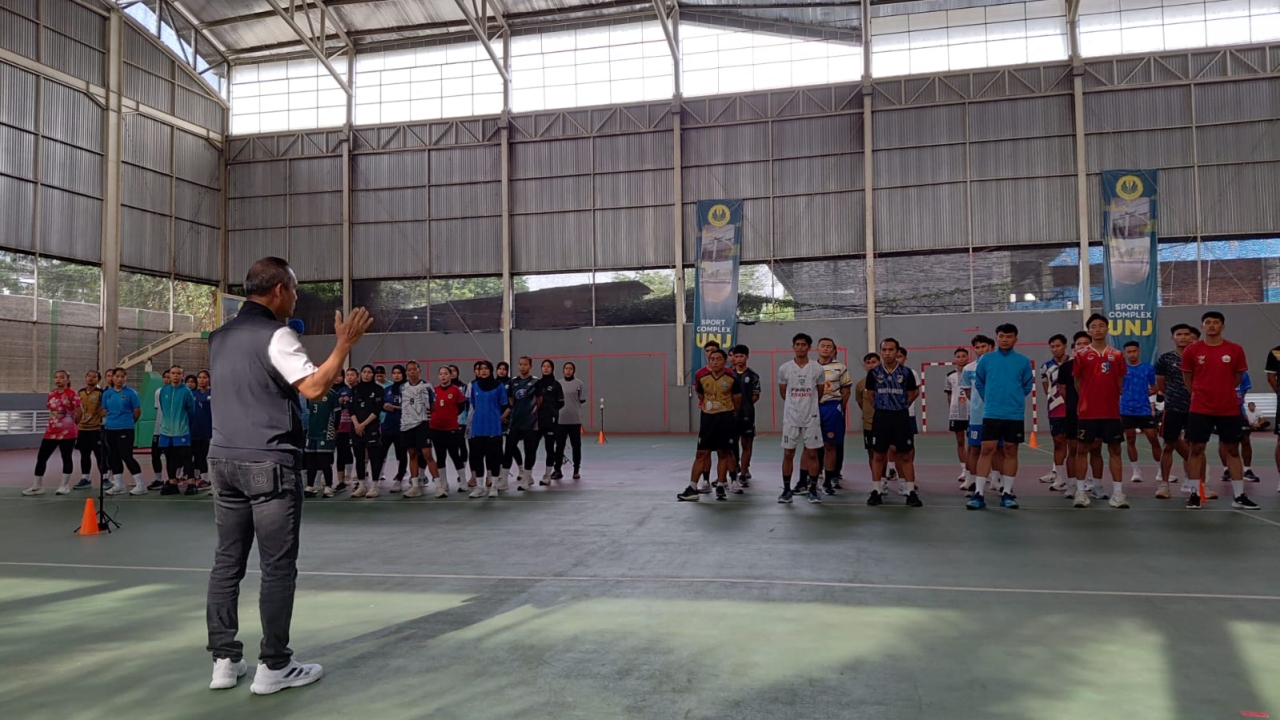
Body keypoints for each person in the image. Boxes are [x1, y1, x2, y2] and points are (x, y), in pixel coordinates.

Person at [205, 256, 372, 694]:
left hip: (222, 460)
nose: (296, 298)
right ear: (278, 289)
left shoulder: (219, 337)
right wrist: (343, 345)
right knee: (277, 566)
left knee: (227, 562)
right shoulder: (276, 334)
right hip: (267, 461)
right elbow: (314, 388)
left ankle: (224, 660)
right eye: (295, 290)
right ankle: (275, 665)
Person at [1181, 311, 1258, 509]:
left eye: (1216, 322)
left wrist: (1223, 392)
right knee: (1196, 449)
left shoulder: (1235, 349)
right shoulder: (1192, 350)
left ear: (1222, 326)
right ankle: (1195, 494)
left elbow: (1237, 378)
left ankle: (1239, 496)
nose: (1212, 325)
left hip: (1228, 408)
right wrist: (1200, 394)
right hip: (1200, 408)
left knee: (1232, 449)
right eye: (1208, 322)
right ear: (1202, 326)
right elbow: (1188, 378)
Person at [969, 323, 1034, 510]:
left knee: (1011, 451)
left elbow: (1027, 385)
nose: (1005, 340)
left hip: (1014, 414)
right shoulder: (986, 360)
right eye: (1002, 336)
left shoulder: (1023, 361)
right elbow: (980, 382)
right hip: (992, 413)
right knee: (986, 449)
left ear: (1016, 339)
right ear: (996, 338)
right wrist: (988, 398)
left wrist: (1015, 399)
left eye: (1009, 336)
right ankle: (978, 493)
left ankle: (1007, 493)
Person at [1071, 314, 1128, 509]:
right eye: (1093, 326)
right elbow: (1078, 382)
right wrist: (1088, 399)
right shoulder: (1081, 355)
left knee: (1115, 450)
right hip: (1088, 412)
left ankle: (1118, 493)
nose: (1097, 329)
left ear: (1107, 328)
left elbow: (1119, 381)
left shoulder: (1117, 354)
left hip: (1111, 412)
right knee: (1082, 450)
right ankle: (1080, 492)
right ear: (1089, 330)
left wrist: (1109, 397)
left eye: (1101, 326)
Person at [678, 348, 741, 501]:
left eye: (718, 359)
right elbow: (701, 396)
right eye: (712, 359)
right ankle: (692, 487)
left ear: (725, 361)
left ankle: (720, 485)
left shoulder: (732, 379)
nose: (715, 362)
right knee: (701, 453)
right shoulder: (702, 378)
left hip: (725, 419)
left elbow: (737, 402)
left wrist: (725, 411)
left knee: (723, 452)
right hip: (707, 420)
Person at [866, 338, 922, 508]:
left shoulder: (906, 373)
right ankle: (876, 491)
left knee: (905, 455)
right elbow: (870, 395)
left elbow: (912, 394)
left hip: (900, 417)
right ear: (881, 352)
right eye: (884, 350)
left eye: (891, 349)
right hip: (881, 417)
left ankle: (910, 491)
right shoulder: (874, 373)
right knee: (879, 455)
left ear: (897, 352)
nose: (888, 353)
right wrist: (881, 406)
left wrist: (901, 405)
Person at [776, 333, 825, 504]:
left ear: (809, 347)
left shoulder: (817, 369)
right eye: (797, 344)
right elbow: (783, 392)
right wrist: (794, 406)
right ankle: (786, 490)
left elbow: (820, 392)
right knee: (788, 453)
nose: (800, 347)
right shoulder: (785, 368)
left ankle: (813, 490)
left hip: (811, 418)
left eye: (803, 344)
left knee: (812, 453)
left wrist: (809, 406)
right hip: (791, 418)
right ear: (793, 347)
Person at [1156, 324, 1198, 499]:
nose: (1183, 337)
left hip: (1196, 408)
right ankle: (1164, 485)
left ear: (1191, 337)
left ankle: (1194, 483)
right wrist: (1173, 397)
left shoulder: (1199, 358)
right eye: (1179, 334)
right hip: (1173, 408)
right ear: (1172, 337)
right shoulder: (1165, 359)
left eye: (1186, 334)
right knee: (1168, 446)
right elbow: (1161, 383)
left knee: (1195, 447)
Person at [23, 370, 81, 496]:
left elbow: (79, 412)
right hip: (51, 431)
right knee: (42, 457)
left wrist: (72, 422)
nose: (58, 379)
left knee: (66, 457)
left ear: (67, 380)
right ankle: (37, 486)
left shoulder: (72, 394)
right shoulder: (51, 394)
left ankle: (64, 485)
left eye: (62, 377)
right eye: (56, 377)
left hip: (67, 432)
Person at [959, 335, 1000, 496]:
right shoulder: (968, 369)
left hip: (997, 414)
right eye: (977, 347)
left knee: (999, 449)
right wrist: (978, 405)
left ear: (991, 347)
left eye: (984, 346)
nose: (981, 350)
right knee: (974, 448)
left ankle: (996, 480)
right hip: (977, 416)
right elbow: (968, 392)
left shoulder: (999, 366)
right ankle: (972, 480)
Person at [815, 338, 852, 497]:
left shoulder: (840, 367)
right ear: (817, 349)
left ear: (833, 350)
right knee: (812, 446)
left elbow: (846, 390)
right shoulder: (811, 367)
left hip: (832, 407)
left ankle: (829, 481)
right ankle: (811, 479)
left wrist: (839, 408)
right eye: (822, 346)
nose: (825, 348)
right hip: (814, 408)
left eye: (829, 346)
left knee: (831, 445)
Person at [1120, 341, 1161, 484]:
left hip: (1144, 409)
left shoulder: (1148, 368)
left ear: (1139, 352)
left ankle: (1160, 470)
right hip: (1126, 409)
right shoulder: (1121, 369)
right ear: (1125, 353)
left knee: (1153, 438)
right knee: (1130, 439)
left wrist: (1153, 391)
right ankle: (1135, 471)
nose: (1132, 354)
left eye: (1134, 351)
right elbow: (1117, 386)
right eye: (1129, 352)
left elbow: (1154, 387)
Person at [102, 368, 147, 496]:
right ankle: (119, 485)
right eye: (117, 376)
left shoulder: (131, 393)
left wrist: (128, 423)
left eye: (122, 376)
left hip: (125, 428)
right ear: (112, 378)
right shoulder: (107, 394)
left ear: (125, 378)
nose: (120, 379)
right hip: (110, 428)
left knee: (126, 455)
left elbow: (137, 411)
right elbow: (104, 410)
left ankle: (141, 484)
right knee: (113, 456)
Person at [467, 360, 507, 498]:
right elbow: (474, 404)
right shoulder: (475, 386)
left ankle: (494, 486)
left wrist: (496, 417)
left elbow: (504, 405)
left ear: (491, 370)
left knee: (494, 458)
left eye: (486, 368)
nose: (483, 371)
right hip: (478, 428)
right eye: (480, 368)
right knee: (478, 458)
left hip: (494, 428)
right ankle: (479, 487)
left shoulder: (499, 386)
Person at [400, 360, 438, 498]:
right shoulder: (403, 388)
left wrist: (423, 414)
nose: (412, 372)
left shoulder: (427, 386)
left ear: (419, 370)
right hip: (407, 425)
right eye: (409, 370)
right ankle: (415, 486)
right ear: (407, 372)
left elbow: (433, 406)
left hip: (422, 424)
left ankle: (439, 486)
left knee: (427, 454)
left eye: (414, 369)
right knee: (412, 454)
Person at [157, 365, 198, 496]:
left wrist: (184, 423)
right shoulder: (164, 391)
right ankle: (172, 483)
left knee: (186, 457)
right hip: (166, 431)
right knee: (169, 457)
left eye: (178, 373)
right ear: (169, 375)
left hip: (181, 430)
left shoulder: (186, 391)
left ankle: (191, 483)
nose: (175, 375)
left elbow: (191, 411)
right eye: (173, 373)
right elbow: (163, 408)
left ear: (182, 375)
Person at [348, 365, 385, 498]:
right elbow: (351, 409)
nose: (366, 374)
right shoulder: (355, 389)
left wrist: (363, 424)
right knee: (359, 457)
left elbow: (377, 409)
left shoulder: (378, 389)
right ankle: (362, 486)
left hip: (371, 427)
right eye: (364, 372)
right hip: (356, 428)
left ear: (373, 375)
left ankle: (374, 486)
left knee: (374, 456)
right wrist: (357, 424)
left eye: (369, 372)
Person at [304, 370, 342, 498]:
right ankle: (310, 486)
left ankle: (328, 487)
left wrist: (334, 429)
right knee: (311, 461)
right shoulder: (310, 394)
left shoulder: (331, 394)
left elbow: (337, 413)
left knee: (324, 461)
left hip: (326, 432)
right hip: (311, 432)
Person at [1038, 335, 1070, 489]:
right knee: (1058, 442)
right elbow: (1046, 388)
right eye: (1052, 346)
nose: (1055, 349)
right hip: (1055, 409)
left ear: (1065, 346)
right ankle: (1060, 477)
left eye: (1058, 346)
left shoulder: (1074, 363)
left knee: (1077, 445)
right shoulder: (1046, 367)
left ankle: (1082, 478)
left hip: (1073, 409)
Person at [431, 365, 468, 497]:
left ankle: (463, 481)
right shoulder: (434, 391)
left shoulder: (456, 390)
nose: (443, 376)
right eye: (441, 374)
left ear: (450, 375)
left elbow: (461, 406)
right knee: (440, 456)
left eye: (446, 373)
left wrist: (451, 416)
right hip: (436, 428)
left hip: (451, 428)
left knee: (454, 455)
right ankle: (444, 483)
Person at [728, 346, 761, 490]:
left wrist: (745, 406)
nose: (739, 359)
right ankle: (733, 471)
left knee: (746, 443)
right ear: (733, 357)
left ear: (747, 357)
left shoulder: (753, 376)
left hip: (747, 415)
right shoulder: (729, 375)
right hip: (731, 415)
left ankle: (743, 472)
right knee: (731, 445)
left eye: (742, 356)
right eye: (736, 356)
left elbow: (756, 396)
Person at [506, 357, 541, 490]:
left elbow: (539, 400)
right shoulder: (513, 382)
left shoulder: (536, 382)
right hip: (515, 422)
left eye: (525, 365)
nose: (523, 367)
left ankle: (527, 478)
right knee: (509, 448)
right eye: (520, 364)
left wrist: (531, 411)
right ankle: (503, 479)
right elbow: (511, 399)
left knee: (529, 450)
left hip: (530, 423)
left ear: (530, 366)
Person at [1219, 372, 1261, 483]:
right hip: (1222, 409)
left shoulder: (1243, 374)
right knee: (1223, 441)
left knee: (1245, 439)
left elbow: (1243, 392)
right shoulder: (1219, 370)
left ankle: (1247, 470)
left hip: (1238, 410)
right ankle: (1226, 470)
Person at [73, 370, 108, 491]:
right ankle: (85, 479)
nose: (91, 378)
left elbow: (105, 409)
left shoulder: (101, 393)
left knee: (100, 455)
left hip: (95, 429)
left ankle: (105, 478)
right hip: (82, 429)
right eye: (89, 376)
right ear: (85, 377)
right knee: (84, 454)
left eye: (94, 377)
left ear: (98, 380)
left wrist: (99, 419)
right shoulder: (80, 392)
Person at [554, 361, 587, 480]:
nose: (568, 371)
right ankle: (557, 470)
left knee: (576, 446)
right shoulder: (558, 384)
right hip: (560, 420)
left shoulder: (579, 384)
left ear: (573, 371)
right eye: (566, 368)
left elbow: (582, 399)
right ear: (563, 370)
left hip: (574, 420)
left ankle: (576, 469)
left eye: (570, 369)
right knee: (559, 446)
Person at [535, 360, 565, 484]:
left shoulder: (556, 385)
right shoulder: (537, 383)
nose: (546, 368)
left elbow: (561, 403)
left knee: (549, 447)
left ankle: (547, 475)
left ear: (552, 368)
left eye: (548, 366)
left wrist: (551, 411)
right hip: (537, 421)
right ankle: (528, 476)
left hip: (550, 421)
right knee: (532, 447)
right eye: (544, 366)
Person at [380, 365, 408, 492]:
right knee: (381, 453)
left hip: (402, 426)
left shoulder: (407, 389)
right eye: (394, 373)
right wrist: (384, 406)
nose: (396, 375)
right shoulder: (387, 389)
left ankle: (399, 479)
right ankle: (376, 479)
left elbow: (410, 406)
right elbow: (381, 404)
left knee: (401, 454)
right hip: (387, 426)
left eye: (399, 373)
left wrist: (395, 407)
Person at [945, 347, 970, 484]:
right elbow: (949, 394)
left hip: (971, 411)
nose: (961, 359)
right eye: (958, 356)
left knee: (975, 443)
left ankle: (978, 470)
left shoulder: (972, 372)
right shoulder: (950, 376)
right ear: (955, 359)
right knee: (960, 441)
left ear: (968, 358)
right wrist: (952, 408)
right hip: (956, 412)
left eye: (963, 356)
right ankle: (964, 470)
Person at [854, 352, 880, 479]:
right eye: (868, 363)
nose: (871, 365)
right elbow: (861, 403)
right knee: (871, 453)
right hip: (868, 424)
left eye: (874, 362)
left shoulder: (885, 381)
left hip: (884, 422)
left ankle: (884, 476)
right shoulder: (860, 385)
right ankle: (876, 480)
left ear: (879, 363)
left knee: (883, 452)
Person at [335, 368, 357, 491]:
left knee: (353, 451)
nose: (349, 377)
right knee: (340, 452)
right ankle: (340, 481)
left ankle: (352, 476)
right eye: (348, 375)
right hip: (339, 426)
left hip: (353, 425)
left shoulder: (353, 390)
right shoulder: (336, 391)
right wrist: (338, 402)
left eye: (352, 375)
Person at [191, 370, 213, 487]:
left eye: (204, 377)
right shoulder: (193, 394)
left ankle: (212, 479)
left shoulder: (214, 393)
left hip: (210, 430)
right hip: (196, 430)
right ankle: (204, 479)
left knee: (209, 455)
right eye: (199, 377)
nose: (201, 380)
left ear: (209, 379)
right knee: (199, 455)